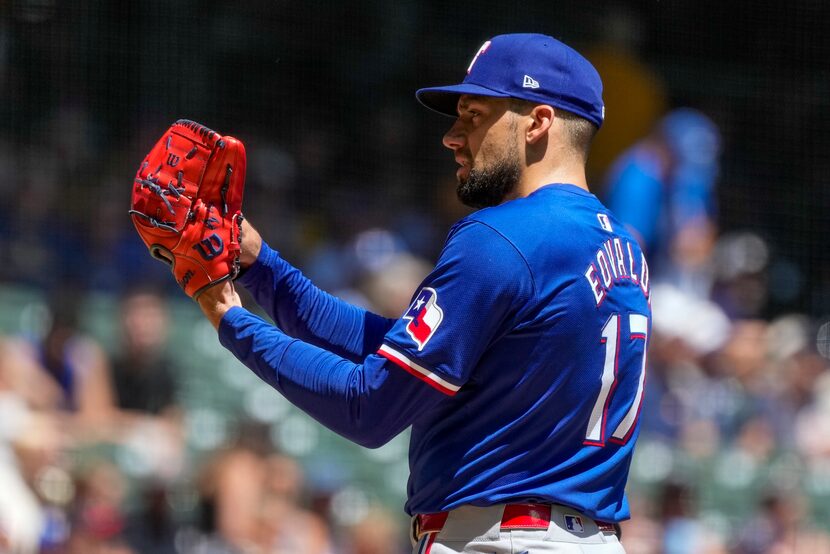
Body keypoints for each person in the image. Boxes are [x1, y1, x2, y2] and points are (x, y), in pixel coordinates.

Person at [194, 33, 651, 553]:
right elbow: (399, 348)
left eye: (474, 115)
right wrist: (260, 266)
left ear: (539, 123)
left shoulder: (503, 237)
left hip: (503, 539)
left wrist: (229, 316)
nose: (452, 137)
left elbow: (370, 407)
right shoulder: (623, 248)